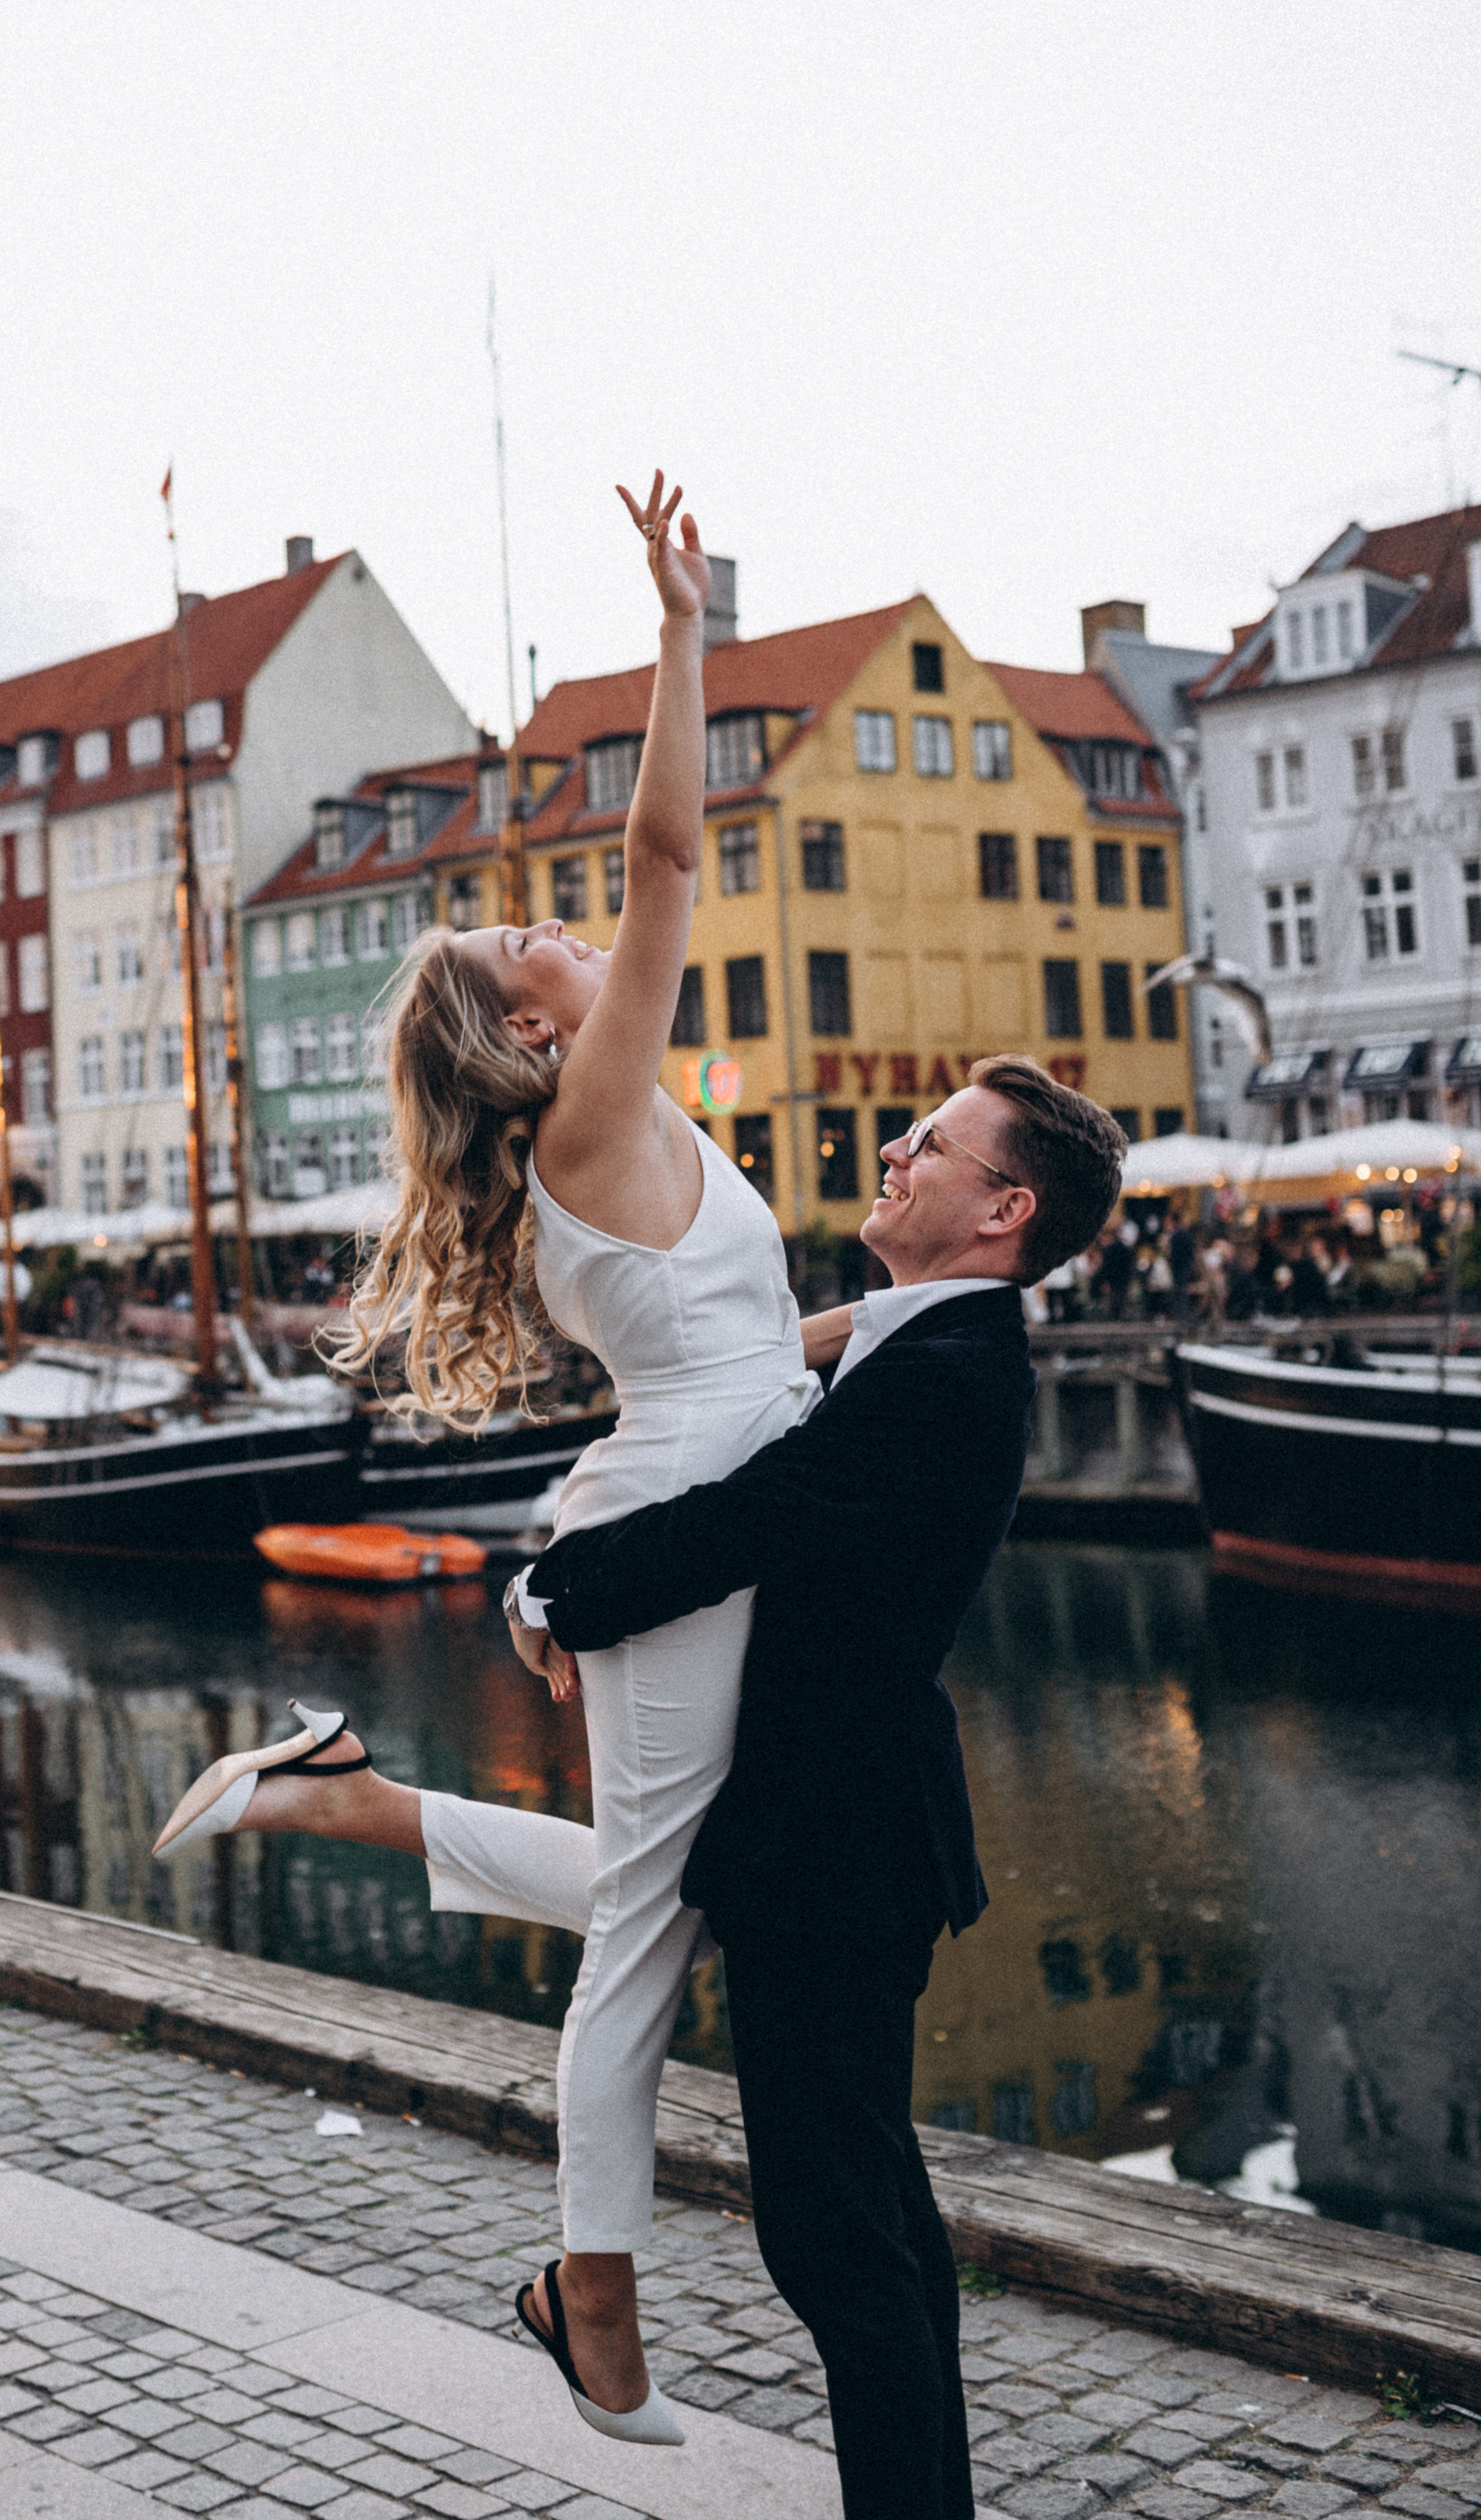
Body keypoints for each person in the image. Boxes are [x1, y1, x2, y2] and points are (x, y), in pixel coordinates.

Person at [151, 475, 852, 2444]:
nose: (555, 927)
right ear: (526, 1034)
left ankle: (356, 1803)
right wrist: (681, 628)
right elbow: (659, 854)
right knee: (652, 1917)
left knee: (681, 1886)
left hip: (719, 1491)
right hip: (691, 1528)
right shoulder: (584, 1122)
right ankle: (594, 2291)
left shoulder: (615, 1147)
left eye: (524, 914)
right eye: (517, 939)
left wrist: (867, 1333)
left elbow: (722, 1344)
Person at [516, 1055, 1128, 2520]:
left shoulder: (948, 1376)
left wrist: (555, 1585)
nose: (898, 1151)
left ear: (1006, 1208)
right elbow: (792, 1396)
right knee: (879, 2224)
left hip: (832, 1847)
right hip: (841, 1835)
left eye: (934, 1144)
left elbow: (755, 1519)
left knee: (838, 2239)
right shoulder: (929, 1343)